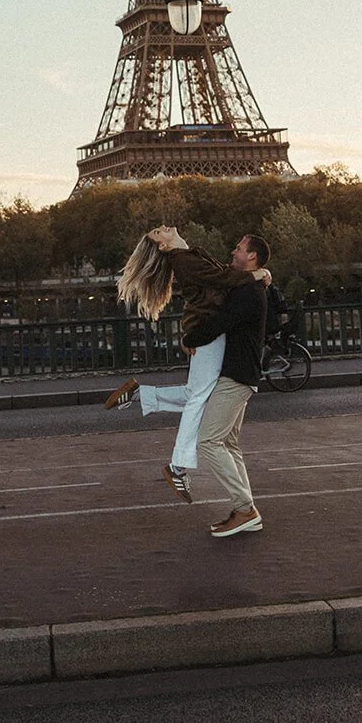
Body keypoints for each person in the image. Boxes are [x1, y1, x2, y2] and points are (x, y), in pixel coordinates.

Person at [104, 226, 270, 504]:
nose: (162, 229)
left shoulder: (190, 253)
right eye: (158, 233)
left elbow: (223, 272)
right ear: (163, 246)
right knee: (199, 398)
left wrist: (261, 273)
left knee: (195, 393)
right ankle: (178, 466)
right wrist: (257, 274)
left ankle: (137, 394)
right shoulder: (183, 260)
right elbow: (221, 278)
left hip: (206, 333)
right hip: (207, 334)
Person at [183, 234, 270, 538]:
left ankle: (245, 508)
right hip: (242, 374)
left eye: (239, 249)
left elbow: (220, 322)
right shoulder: (249, 286)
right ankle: (244, 510)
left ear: (252, 257)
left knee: (208, 441)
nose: (233, 252)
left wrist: (190, 338)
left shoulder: (248, 293)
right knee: (229, 445)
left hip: (237, 376)